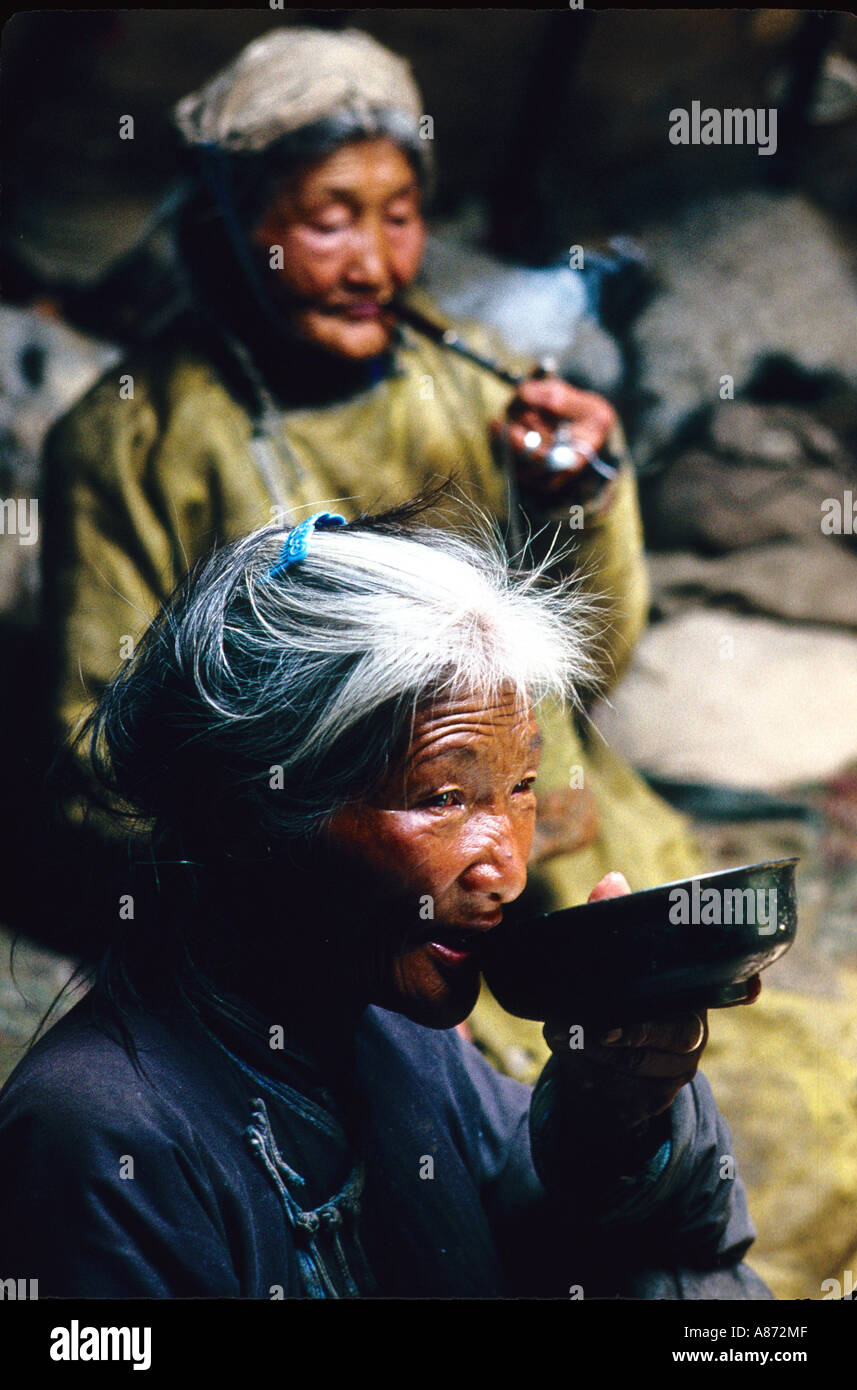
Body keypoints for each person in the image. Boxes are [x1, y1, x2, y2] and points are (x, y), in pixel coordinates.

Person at [39, 25, 698, 1069]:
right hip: (336, 905)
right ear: (236, 220)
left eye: (398, 216)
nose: (376, 262)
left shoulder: (478, 393)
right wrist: (302, 873)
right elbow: (101, 759)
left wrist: (585, 498)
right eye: (329, 220)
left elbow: (590, 668)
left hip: (561, 859)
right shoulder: (128, 443)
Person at [0, 507, 770, 1298]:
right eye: (440, 797)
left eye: (522, 786)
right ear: (250, 814)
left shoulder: (395, 1033)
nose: (505, 869)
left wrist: (612, 1119)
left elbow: (640, 1251)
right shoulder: (96, 1137)